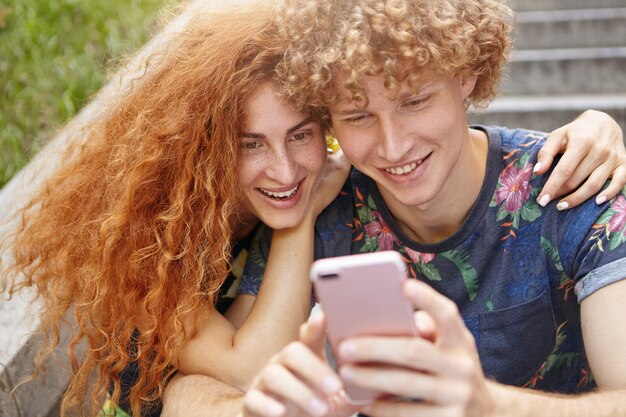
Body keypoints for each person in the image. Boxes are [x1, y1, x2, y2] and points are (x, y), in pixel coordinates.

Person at [1, 0, 624, 416]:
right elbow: (213, 384)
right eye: (357, 115)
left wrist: (483, 404)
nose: (392, 145)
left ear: (468, 76)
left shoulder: (571, 185)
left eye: (414, 100)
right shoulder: (299, 208)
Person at [1, 2, 350, 416]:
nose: (285, 170)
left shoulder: (319, 189)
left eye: (300, 135)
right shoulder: (149, 240)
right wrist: (303, 215)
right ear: (205, 146)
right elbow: (249, 370)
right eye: (251, 144)